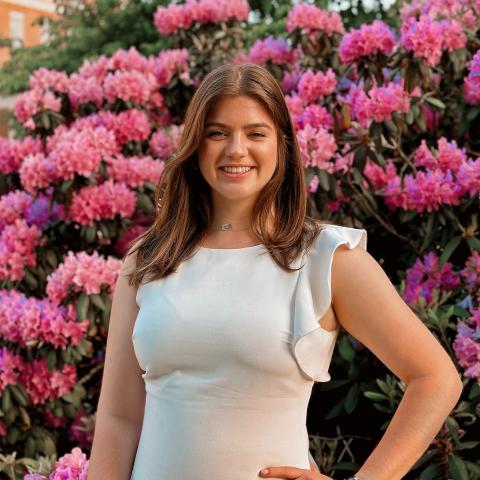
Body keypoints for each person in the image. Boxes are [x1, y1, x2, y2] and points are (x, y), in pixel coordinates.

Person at [87, 63, 463, 480]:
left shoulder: (325, 257)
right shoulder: (149, 259)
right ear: (195, 146)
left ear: (282, 145)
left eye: (255, 133)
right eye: (216, 133)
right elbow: (119, 419)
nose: (235, 149)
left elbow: (435, 378)